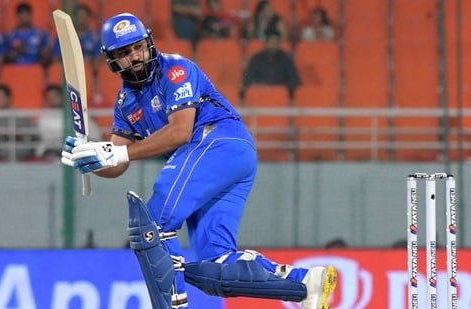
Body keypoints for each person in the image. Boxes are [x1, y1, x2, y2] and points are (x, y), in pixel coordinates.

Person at [61, 13, 336, 309]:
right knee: (215, 270)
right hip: (215, 165)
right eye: (124, 54)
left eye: (137, 47)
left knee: (153, 221)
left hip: (219, 142)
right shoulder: (125, 103)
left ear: (149, 42)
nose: (135, 57)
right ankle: (305, 284)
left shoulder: (176, 70)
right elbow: (116, 161)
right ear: (112, 60)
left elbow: (180, 132)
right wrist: (90, 156)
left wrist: (116, 152)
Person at [242, 30, 301, 98]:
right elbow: (248, 80)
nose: (273, 45)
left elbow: (295, 81)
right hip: (259, 97)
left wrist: (279, 88)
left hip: (280, 99)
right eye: (271, 42)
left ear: (279, 44)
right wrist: (259, 85)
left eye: (275, 43)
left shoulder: (286, 60)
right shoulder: (256, 59)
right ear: (265, 43)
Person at [0, 84, 37, 161]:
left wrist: (16, 133)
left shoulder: (21, 116)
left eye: (0, 97)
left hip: (19, 150)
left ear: (9, 98)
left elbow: (31, 136)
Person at [4, 2, 52, 67]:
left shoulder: (40, 34)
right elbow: (4, 56)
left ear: (30, 15)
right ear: (17, 15)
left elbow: (47, 55)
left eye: (27, 13)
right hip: (15, 70)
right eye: (22, 13)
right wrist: (15, 52)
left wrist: (44, 55)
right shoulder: (10, 36)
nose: (25, 16)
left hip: (35, 70)